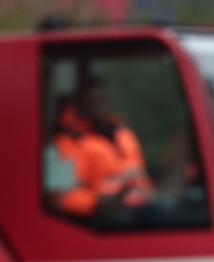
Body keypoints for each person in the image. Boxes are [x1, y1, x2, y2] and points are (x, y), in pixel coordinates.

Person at [52, 78, 156, 227]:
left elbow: (141, 174)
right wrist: (99, 204)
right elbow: (61, 199)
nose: (99, 108)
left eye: (102, 101)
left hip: (143, 204)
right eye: (92, 102)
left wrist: (146, 190)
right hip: (103, 218)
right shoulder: (68, 143)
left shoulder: (123, 133)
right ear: (80, 107)